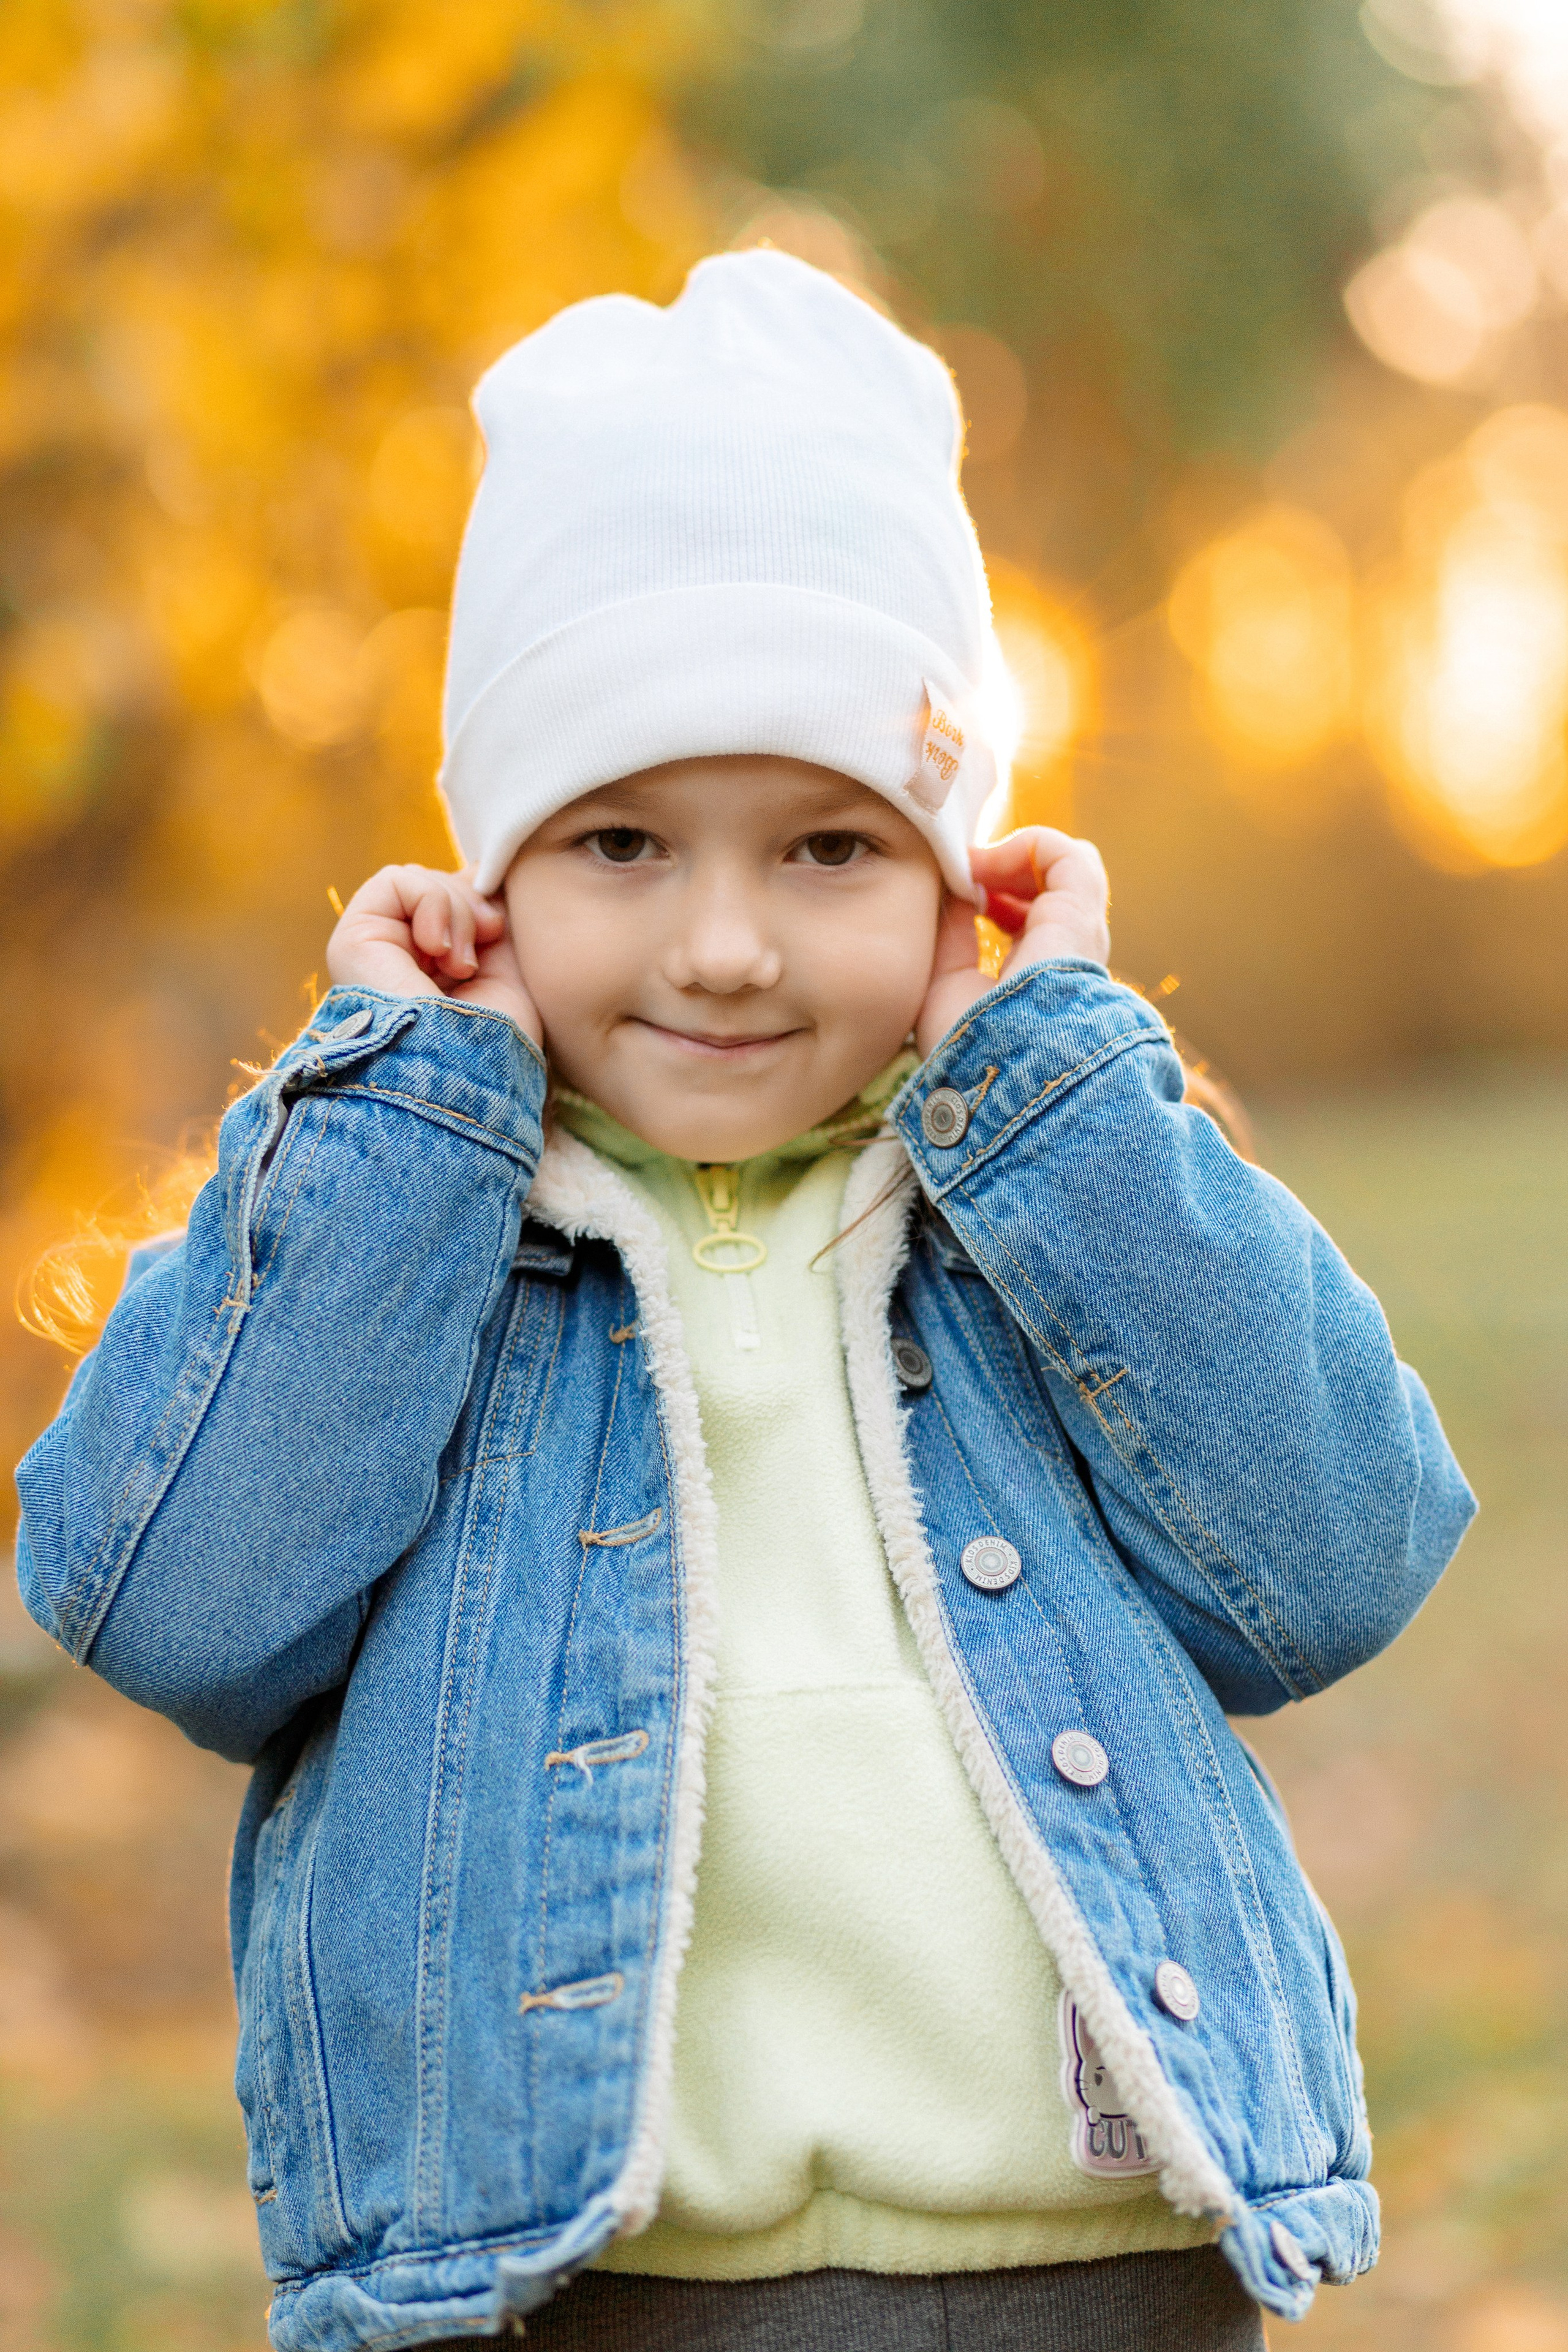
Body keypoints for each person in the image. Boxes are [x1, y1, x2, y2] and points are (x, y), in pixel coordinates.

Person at [14, 251, 1475, 2352]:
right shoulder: (434, 1239)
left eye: (825, 852)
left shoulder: (1029, 1214)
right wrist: (402, 1115)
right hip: (581, 2283)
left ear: (960, 883)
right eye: (618, 842)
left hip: (1098, 2276)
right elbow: (177, 1603)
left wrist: (1055, 1081)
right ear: (487, 886)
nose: (720, 946)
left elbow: (1332, 1558)